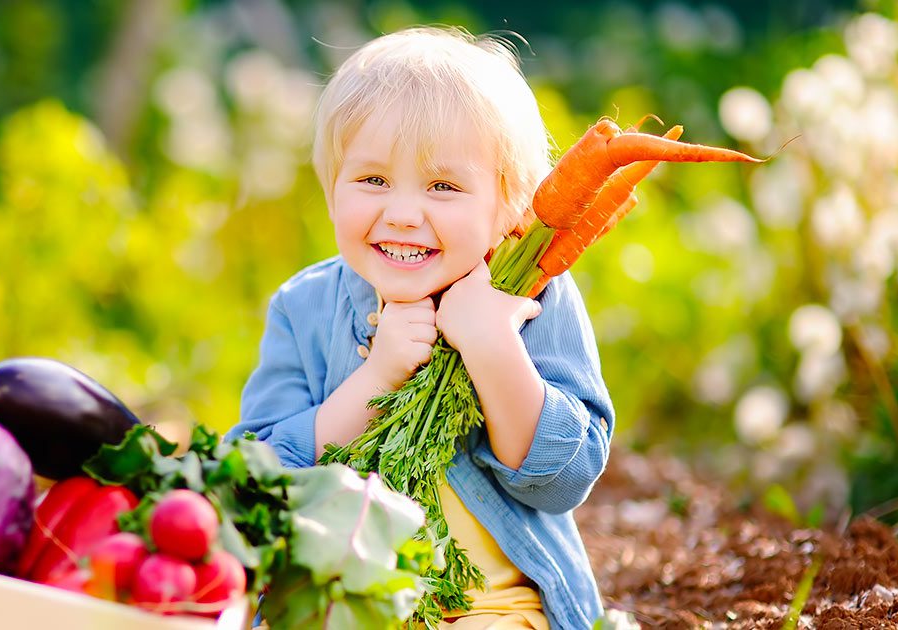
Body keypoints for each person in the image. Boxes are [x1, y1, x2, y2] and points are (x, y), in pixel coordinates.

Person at [227, 26, 615, 629]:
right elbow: (252, 487)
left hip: (493, 607)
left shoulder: (534, 298)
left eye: (443, 186)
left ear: (508, 206)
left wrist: (494, 350)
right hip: (341, 605)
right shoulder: (302, 307)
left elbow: (564, 481)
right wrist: (375, 378)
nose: (403, 215)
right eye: (373, 180)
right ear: (331, 191)